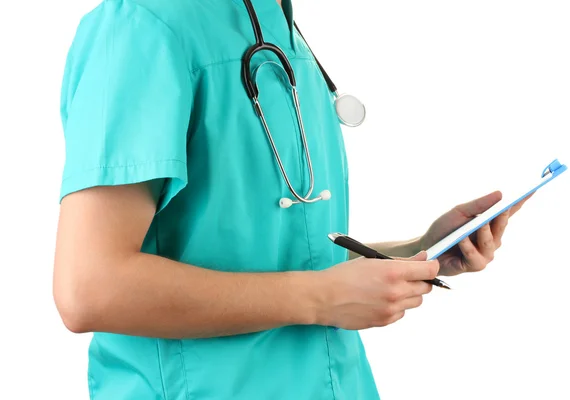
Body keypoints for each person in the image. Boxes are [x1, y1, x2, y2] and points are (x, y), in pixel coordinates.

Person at [53, 0, 530, 398]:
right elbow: (90, 288)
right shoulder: (141, 28)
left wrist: (416, 253)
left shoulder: (277, 27)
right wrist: (321, 299)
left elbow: (274, 249)